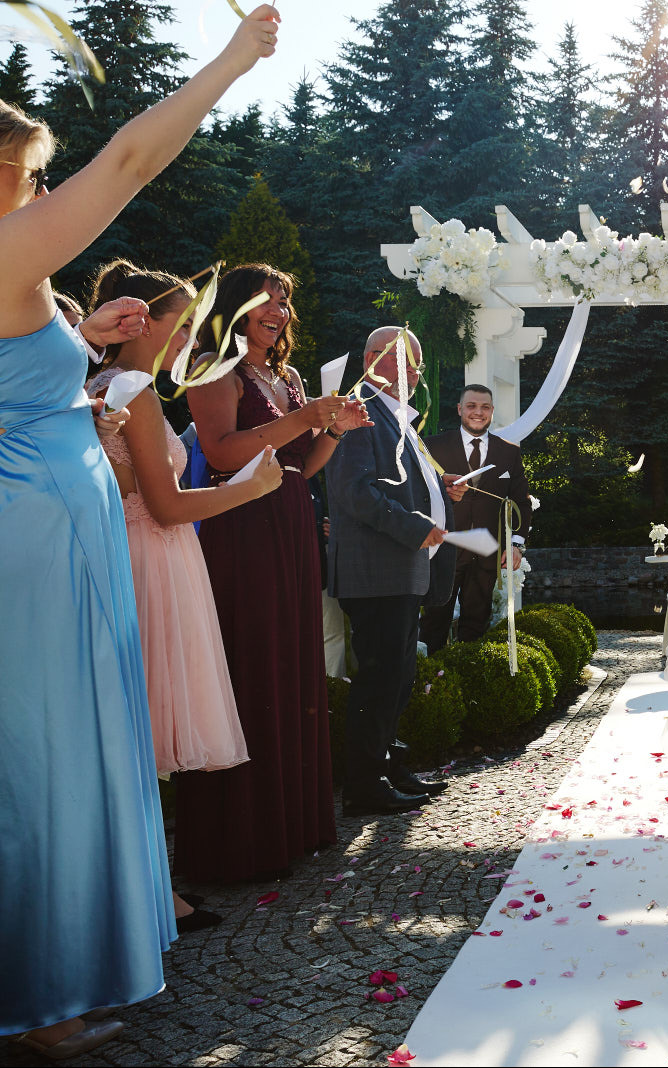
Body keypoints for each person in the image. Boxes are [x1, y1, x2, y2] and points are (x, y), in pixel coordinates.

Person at [0, 9, 280, 1057]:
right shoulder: (6, 244)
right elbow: (129, 159)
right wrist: (232, 62)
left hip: (44, 534)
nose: (40, 191)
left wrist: (81, 340)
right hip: (37, 543)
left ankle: (45, 984)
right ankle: (39, 998)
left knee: (38, 748)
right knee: (42, 757)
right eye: (32, 174)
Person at [87, 260, 291, 930]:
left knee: (135, 732)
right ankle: (152, 894)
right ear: (142, 324)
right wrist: (249, 491)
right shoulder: (135, 391)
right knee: (143, 733)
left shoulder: (101, 385)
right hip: (151, 558)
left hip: (138, 552)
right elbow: (168, 506)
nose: (189, 341)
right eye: (182, 327)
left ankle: (153, 884)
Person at [179, 263, 369, 882]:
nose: (277, 311)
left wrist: (333, 429)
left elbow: (302, 466)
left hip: (290, 518)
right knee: (254, 661)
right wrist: (303, 418)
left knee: (293, 662)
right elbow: (221, 451)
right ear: (234, 306)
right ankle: (244, 837)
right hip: (242, 524)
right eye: (265, 300)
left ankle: (294, 825)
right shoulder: (213, 368)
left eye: (284, 302)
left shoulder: (286, 376)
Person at [327, 327, 456, 815]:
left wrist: (442, 489)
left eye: (417, 362)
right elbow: (353, 491)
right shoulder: (358, 409)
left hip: (402, 569)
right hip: (375, 569)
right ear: (370, 360)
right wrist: (414, 526)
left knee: (398, 678)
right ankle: (364, 785)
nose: (414, 371)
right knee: (379, 679)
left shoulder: (396, 415)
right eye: (404, 359)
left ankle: (388, 765)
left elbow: (402, 484)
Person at [421, 384, 534, 654]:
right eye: (471, 406)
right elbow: (420, 495)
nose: (478, 412)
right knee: (434, 625)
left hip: (486, 554)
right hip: (443, 550)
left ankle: (468, 674)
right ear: (460, 409)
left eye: (484, 407)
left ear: (492, 411)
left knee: (476, 628)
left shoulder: (509, 452)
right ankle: (431, 677)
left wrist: (516, 545)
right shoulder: (433, 446)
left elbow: (521, 501)